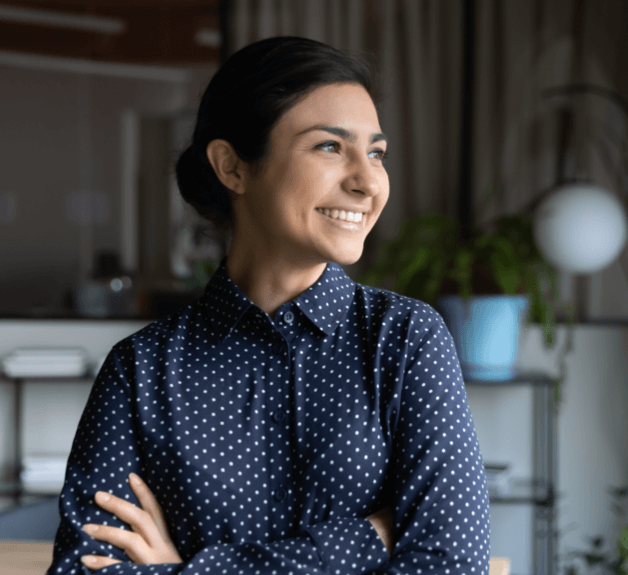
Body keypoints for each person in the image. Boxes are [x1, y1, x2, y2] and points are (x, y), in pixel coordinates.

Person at [46, 36, 490, 575]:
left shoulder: (405, 340)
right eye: (330, 146)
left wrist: (190, 569)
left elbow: (448, 565)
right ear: (232, 167)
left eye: (376, 152)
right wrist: (367, 539)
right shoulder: (140, 370)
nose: (368, 181)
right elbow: (81, 570)